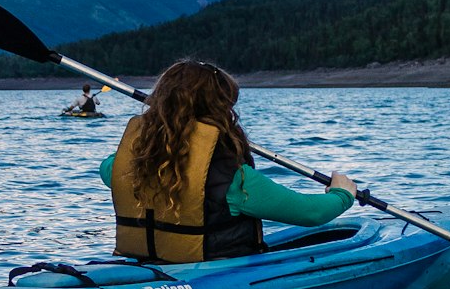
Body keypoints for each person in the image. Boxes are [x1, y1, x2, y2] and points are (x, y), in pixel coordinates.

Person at [100, 58, 356, 263]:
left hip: (147, 265)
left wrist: (153, 138)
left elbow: (107, 167)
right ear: (221, 111)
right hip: (212, 271)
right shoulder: (229, 177)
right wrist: (342, 194)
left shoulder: (129, 166)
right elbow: (311, 212)